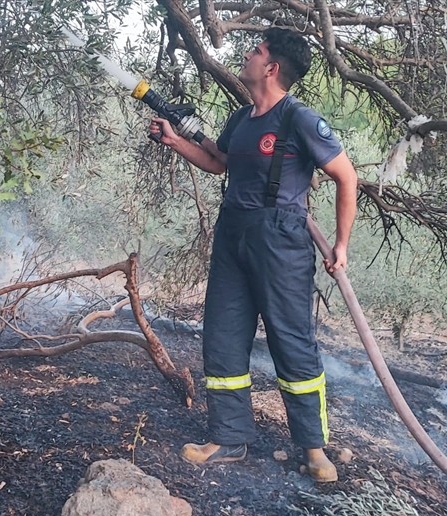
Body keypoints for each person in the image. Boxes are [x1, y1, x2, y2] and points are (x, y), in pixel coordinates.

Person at [149, 27, 359, 482]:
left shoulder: (299, 119)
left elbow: (347, 177)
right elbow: (218, 163)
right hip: (233, 234)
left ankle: (313, 447)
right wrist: (175, 140)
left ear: (272, 67)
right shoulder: (241, 119)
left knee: (291, 339)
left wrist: (340, 246)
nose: (247, 54)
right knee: (223, 334)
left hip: (281, 238)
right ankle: (228, 438)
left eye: (256, 50)